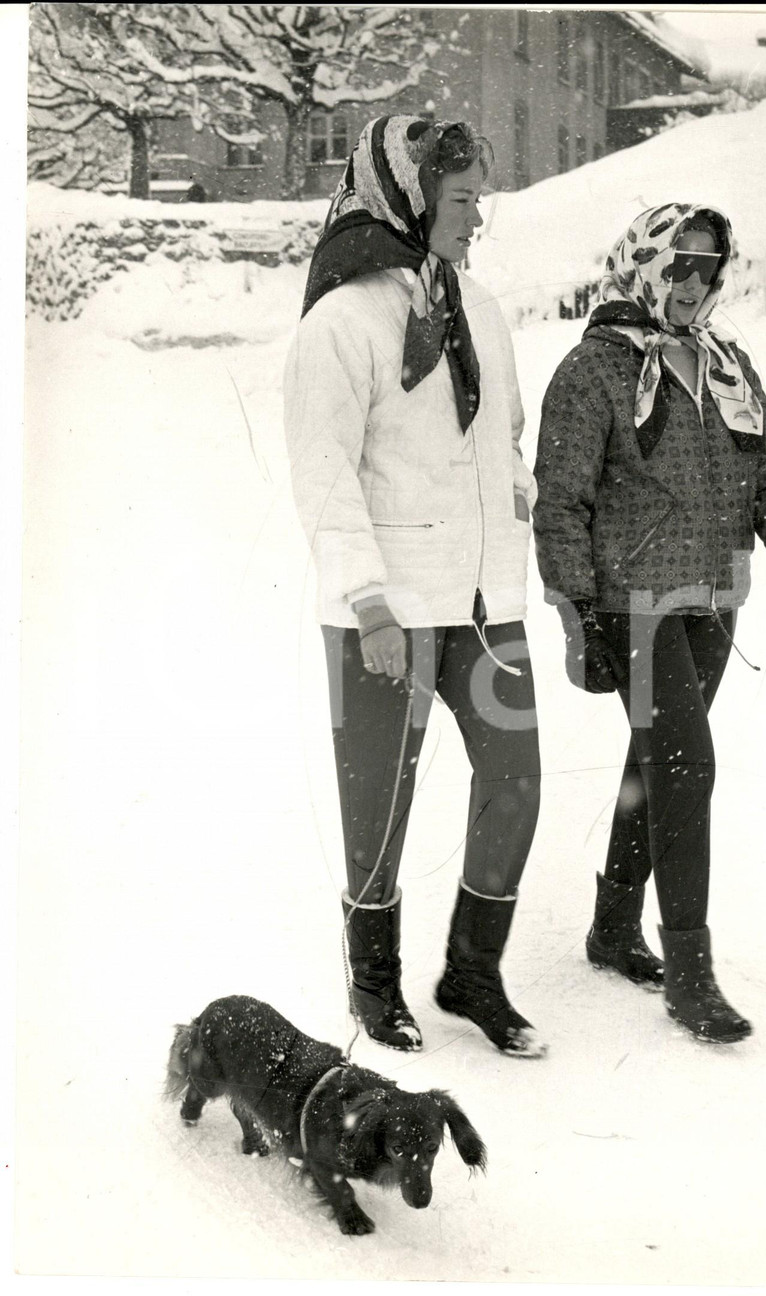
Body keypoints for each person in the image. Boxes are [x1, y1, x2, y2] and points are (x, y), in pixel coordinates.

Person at [532, 202, 766, 1044]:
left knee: (655, 761)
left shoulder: (727, 364)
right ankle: (691, 973)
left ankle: (610, 926)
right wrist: (579, 606)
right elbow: (561, 500)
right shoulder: (592, 372)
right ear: (645, 265)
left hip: (712, 600)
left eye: (709, 269)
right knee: (687, 764)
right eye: (680, 267)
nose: (695, 286)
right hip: (633, 603)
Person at [284, 116, 545, 1059]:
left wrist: (526, 509)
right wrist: (365, 600)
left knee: (516, 783)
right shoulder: (342, 321)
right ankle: (376, 983)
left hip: (481, 609)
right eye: (464, 197)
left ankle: (473, 972)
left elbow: (500, 441)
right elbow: (323, 470)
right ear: (410, 195)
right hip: (387, 612)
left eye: (480, 196)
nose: (479, 217)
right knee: (379, 809)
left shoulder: (481, 310)